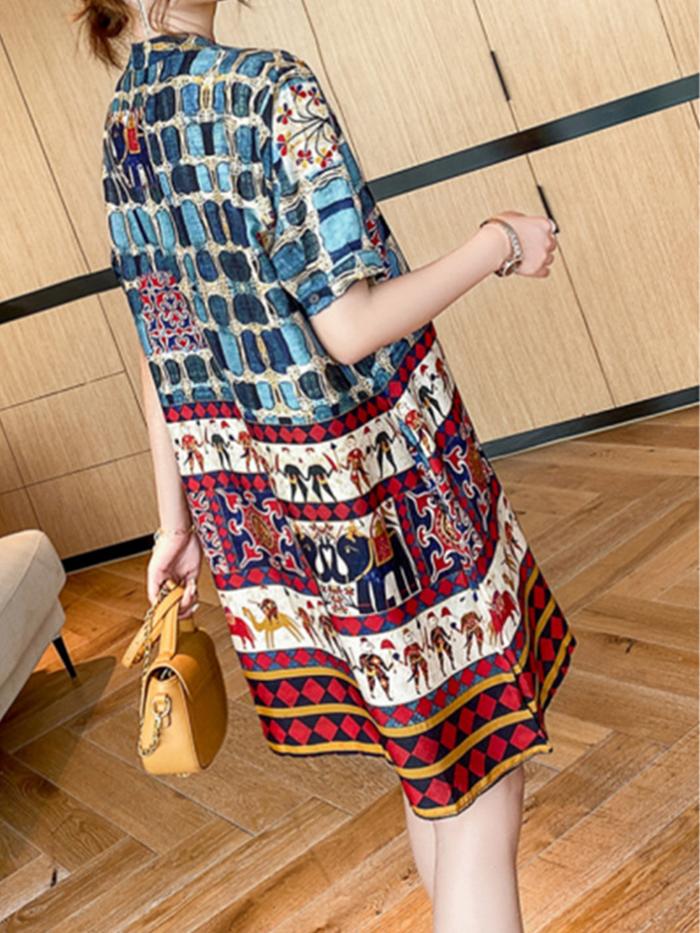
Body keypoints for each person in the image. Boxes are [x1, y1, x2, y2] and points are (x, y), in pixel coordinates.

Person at [78, 0, 578, 928]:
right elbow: (349, 328)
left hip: (269, 521)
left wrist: (175, 523)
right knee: (479, 776)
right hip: (385, 490)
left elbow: (163, 346)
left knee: (432, 768)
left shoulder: (125, 124)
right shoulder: (269, 90)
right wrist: (500, 244)